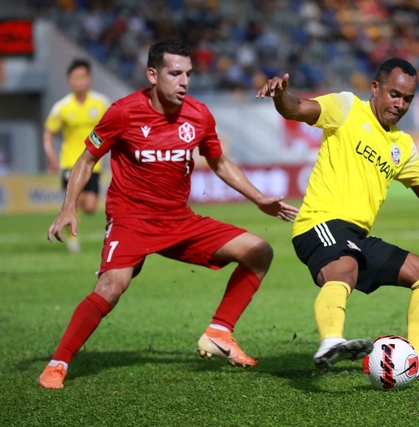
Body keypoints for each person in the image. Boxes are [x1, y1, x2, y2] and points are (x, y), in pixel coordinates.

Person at [37, 40, 299, 389]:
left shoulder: (199, 114)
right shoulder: (123, 112)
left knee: (259, 250)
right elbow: (87, 159)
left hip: (179, 220)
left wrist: (259, 198)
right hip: (131, 219)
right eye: (175, 73)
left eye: (188, 74)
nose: (184, 81)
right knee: (112, 286)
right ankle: (57, 364)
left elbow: (219, 162)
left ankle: (219, 331)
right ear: (152, 75)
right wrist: (68, 206)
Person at [256, 58, 419, 382]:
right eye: (394, 94)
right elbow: (297, 108)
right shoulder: (347, 108)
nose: (400, 104)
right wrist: (281, 95)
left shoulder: (402, 145)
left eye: (407, 99)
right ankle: (331, 341)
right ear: (375, 88)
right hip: (319, 223)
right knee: (345, 267)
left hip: (356, 236)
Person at [43, 59, 111, 252]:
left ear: (89, 79)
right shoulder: (62, 107)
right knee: (74, 199)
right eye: (76, 77)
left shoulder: (101, 103)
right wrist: (51, 157)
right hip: (70, 162)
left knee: (90, 206)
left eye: (83, 77)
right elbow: (48, 132)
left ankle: (72, 210)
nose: (80, 81)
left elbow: (112, 127)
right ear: (69, 81)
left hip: (93, 162)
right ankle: (72, 239)